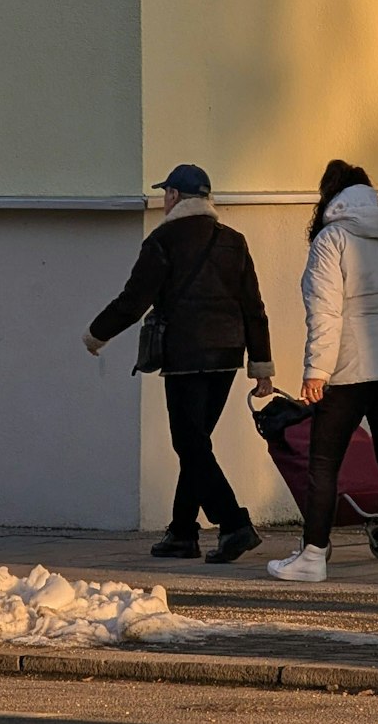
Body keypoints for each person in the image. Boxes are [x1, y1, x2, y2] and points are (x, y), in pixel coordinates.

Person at [85, 164, 275, 563]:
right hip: (226, 356)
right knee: (196, 445)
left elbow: (134, 300)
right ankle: (182, 533)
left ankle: (234, 523)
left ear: (174, 196)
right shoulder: (233, 242)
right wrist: (261, 366)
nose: (163, 200)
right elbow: (254, 308)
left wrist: (97, 333)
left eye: (165, 193)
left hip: (186, 356)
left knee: (189, 445)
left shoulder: (163, 240)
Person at [269, 161, 378, 585]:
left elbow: (324, 311)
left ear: (330, 197)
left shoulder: (331, 240)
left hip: (346, 373)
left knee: (323, 462)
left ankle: (312, 556)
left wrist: (316, 371)